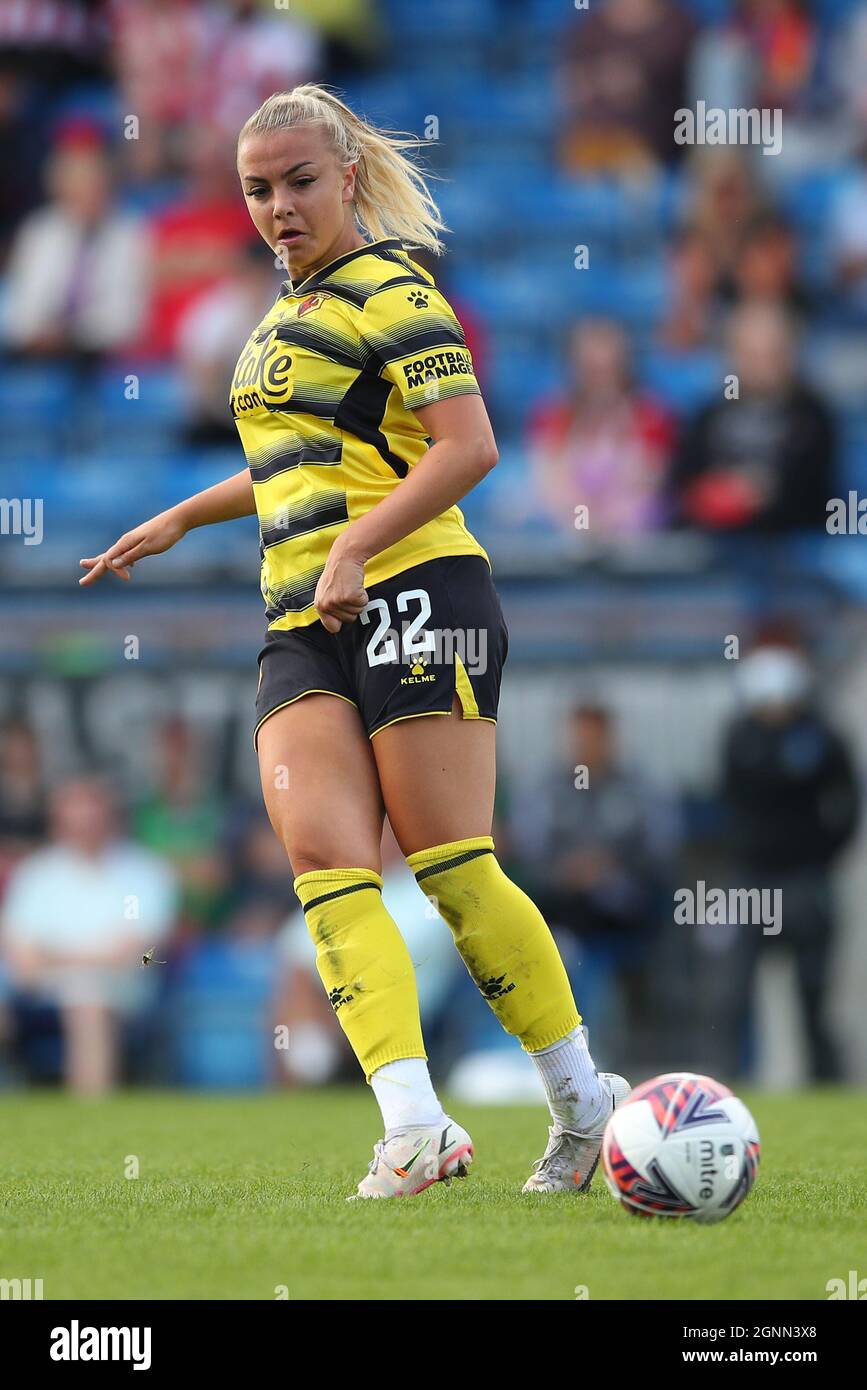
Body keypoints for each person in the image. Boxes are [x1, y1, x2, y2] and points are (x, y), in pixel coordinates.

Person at [80, 83, 630, 1199]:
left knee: (450, 869)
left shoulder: (394, 288)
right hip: (302, 621)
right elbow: (302, 459)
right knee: (327, 869)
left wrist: (359, 546)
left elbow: (468, 447)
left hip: (419, 586)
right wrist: (188, 513)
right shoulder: (279, 318)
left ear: (346, 178)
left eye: (296, 183)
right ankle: (414, 1125)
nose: (277, 207)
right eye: (256, 190)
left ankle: (582, 1102)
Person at [0, 777, 177, 1093]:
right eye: (76, 820)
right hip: (43, 987)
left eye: (92, 818)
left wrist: (56, 956)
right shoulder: (35, 874)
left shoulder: (144, 871)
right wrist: (82, 960)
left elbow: (139, 954)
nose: (85, 827)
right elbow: (23, 959)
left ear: (111, 819)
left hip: (123, 986)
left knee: (87, 996)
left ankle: (89, 1113)